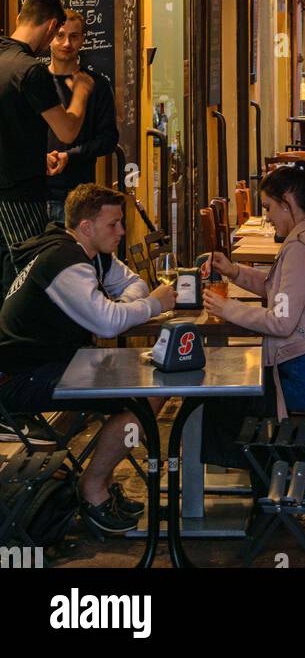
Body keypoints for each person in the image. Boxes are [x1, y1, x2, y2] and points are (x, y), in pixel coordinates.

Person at [0, 184, 174, 535]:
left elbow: (132, 283)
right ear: (86, 226)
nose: (122, 232)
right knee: (150, 393)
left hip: (56, 366)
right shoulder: (63, 261)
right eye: (114, 224)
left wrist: (124, 306)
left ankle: (101, 483)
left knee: (154, 384)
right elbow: (106, 324)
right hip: (20, 379)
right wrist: (155, 304)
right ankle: (94, 489)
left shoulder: (90, 254)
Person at [201, 162, 305, 462]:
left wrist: (227, 308)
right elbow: (281, 291)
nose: (268, 217)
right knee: (229, 389)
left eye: (269, 208)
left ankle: (266, 485)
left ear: (288, 203)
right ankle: (268, 482)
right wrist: (234, 271)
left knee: (219, 395)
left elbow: (281, 322)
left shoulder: (300, 247)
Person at [0, 0, 96, 292]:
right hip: (19, 196)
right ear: (53, 26)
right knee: (23, 281)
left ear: (19, 18)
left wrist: (31, 157)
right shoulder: (30, 70)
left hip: (10, 182)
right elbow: (66, 131)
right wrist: (81, 92)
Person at [45, 11, 119, 224]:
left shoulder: (97, 86)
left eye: (74, 36)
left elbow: (108, 139)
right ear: (50, 36)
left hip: (79, 198)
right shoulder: (35, 82)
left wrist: (71, 156)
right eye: (60, 35)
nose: (66, 42)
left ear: (83, 40)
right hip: (35, 196)